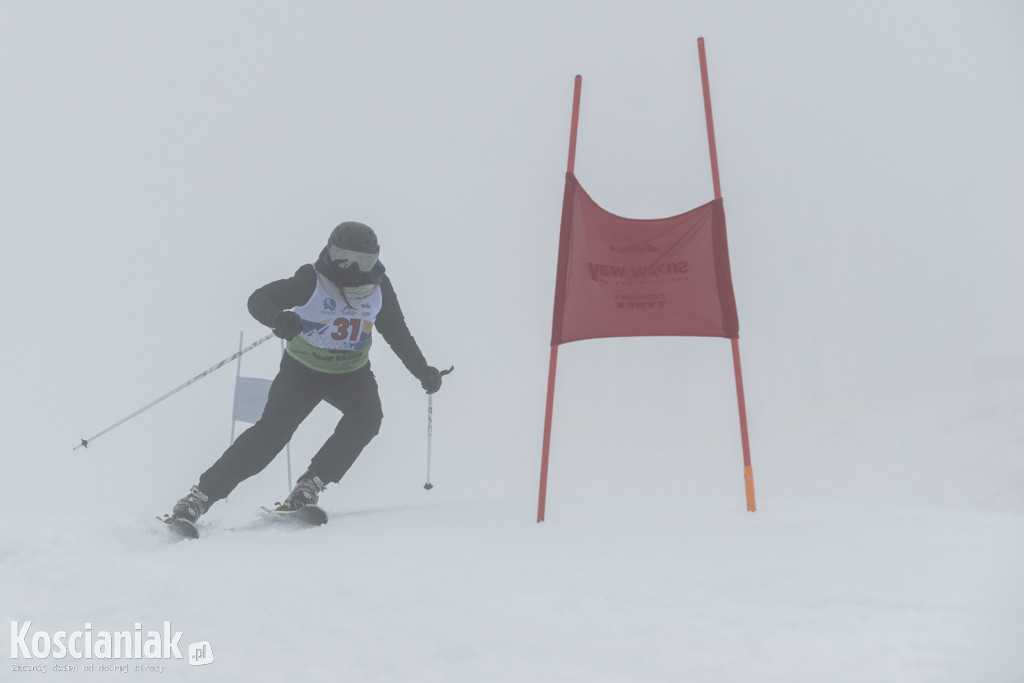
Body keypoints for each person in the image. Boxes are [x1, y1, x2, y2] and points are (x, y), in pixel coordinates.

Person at [165, 221, 445, 524]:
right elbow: (258, 299)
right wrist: (278, 318)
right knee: (272, 434)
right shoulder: (313, 279)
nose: (353, 268)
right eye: (344, 258)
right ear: (330, 252)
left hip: (351, 373)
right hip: (303, 372)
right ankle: (200, 497)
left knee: (368, 417)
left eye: (363, 261)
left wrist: (422, 370)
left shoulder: (379, 288)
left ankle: (311, 484)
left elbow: (396, 332)